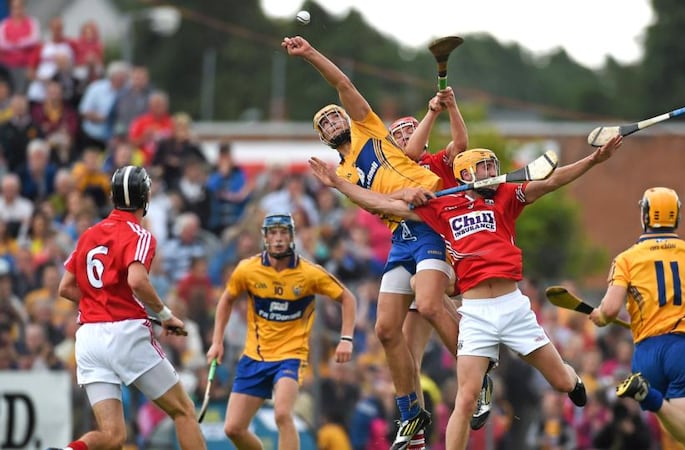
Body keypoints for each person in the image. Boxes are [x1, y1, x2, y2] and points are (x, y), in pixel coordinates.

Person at [309, 135, 623, 450]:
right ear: (465, 174)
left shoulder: (506, 196)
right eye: (483, 167)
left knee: (560, 382)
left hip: (513, 308)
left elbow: (552, 181)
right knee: (466, 397)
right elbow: (382, 204)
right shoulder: (442, 205)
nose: (491, 172)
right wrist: (339, 184)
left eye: (492, 167)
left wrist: (593, 160)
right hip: (475, 315)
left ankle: (573, 380)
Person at [282, 35, 459, 449]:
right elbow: (380, 205)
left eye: (333, 117)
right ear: (323, 139)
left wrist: (309, 54)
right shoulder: (342, 173)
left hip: (431, 217)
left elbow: (342, 84)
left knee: (433, 303)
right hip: (404, 235)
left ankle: (478, 372)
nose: (331, 123)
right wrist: (354, 188)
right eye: (322, 125)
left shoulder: (367, 127)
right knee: (383, 330)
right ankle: (411, 414)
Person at [49, 165, 205, 450]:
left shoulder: (89, 234)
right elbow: (137, 280)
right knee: (183, 410)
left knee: (112, 437)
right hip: (125, 334)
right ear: (145, 197)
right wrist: (165, 315)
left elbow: (65, 288)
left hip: (88, 340)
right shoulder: (140, 234)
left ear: (113, 198)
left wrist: (102, 303)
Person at [588, 186, 685, 450]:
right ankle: (648, 396)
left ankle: (648, 395)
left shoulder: (626, 259)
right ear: (676, 217)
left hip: (645, 354)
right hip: (683, 349)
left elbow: (608, 311)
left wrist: (599, 317)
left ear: (644, 217)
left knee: (674, 428)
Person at [389, 89, 496, 432]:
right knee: (406, 349)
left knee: (427, 295)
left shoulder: (435, 162)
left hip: (440, 246)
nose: (406, 136)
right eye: (398, 134)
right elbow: (406, 154)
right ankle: (414, 425)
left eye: (410, 128)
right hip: (406, 254)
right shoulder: (390, 174)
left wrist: (447, 107)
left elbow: (461, 143)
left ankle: (479, 375)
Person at [206, 213, 357, 450]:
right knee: (233, 428)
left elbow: (347, 297)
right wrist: (217, 342)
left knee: (282, 414)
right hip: (254, 356)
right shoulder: (248, 269)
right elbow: (226, 300)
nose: (278, 239)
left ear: (292, 237)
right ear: (265, 237)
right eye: (273, 233)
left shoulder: (309, 273)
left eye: (283, 233)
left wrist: (346, 338)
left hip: (291, 356)